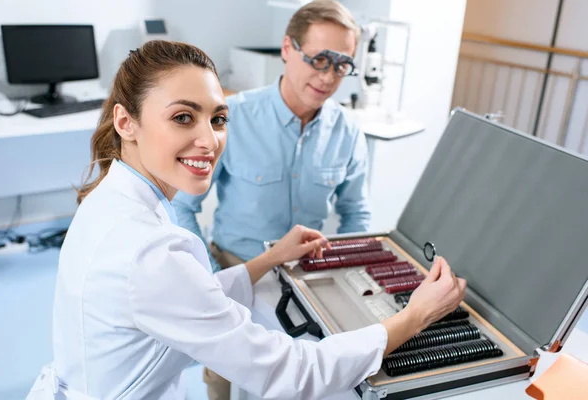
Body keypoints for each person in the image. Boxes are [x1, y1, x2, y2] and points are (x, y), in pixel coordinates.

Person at [26, 40, 466, 400]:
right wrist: (414, 317)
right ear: (126, 122)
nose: (209, 140)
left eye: (217, 118)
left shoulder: (111, 199)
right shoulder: (149, 250)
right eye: (183, 117)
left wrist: (269, 259)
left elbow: (184, 299)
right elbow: (291, 371)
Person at [173, 2, 370, 395]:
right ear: (286, 49)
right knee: (226, 385)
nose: (329, 76)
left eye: (342, 64)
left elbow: (355, 213)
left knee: (301, 383)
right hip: (237, 267)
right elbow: (182, 207)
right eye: (318, 59)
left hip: (309, 277)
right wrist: (214, 278)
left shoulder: (347, 131)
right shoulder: (235, 118)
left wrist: (348, 269)